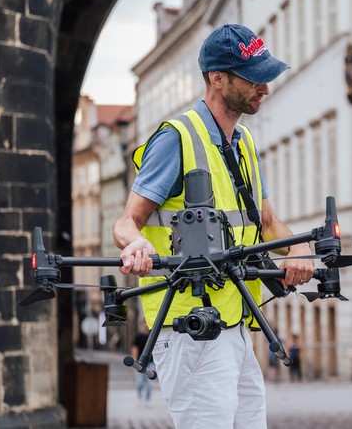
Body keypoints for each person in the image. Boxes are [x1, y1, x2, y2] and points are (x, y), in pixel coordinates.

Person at [113, 24, 314, 428]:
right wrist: (135, 245)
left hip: (234, 321)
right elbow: (126, 221)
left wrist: (298, 249)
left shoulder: (243, 142)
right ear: (217, 78)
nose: (266, 88)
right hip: (189, 326)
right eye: (255, 78)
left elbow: (267, 220)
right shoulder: (177, 137)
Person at [131, 320, 155, 404]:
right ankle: (139, 395)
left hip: (151, 363)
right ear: (142, 325)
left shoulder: (152, 336)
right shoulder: (138, 336)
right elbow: (135, 349)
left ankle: (148, 400)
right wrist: (134, 362)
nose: (146, 326)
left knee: (149, 383)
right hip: (139, 363)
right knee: (140, 382)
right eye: (144, 324)